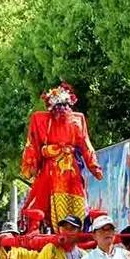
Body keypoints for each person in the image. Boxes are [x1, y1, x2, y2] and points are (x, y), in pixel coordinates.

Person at [19, 82, 103, 230]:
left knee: (78, 198)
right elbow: (33, 142)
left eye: (65, 105)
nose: (62, 109)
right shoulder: (41, 120)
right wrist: (32, 164)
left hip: (71, 169)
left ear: (70, 104)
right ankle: (55, 229)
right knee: (45, 203)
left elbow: (85, 144)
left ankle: (77, 229)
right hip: (51, 170)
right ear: (51, 108)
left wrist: (94, 166)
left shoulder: (78, 120)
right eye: (58, 106)